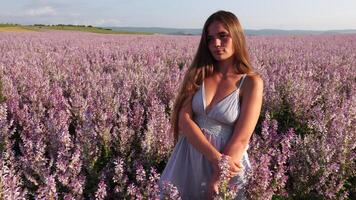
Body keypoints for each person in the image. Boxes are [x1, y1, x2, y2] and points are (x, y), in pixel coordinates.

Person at [160, 10, 263, 199]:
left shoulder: (251, 82)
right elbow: (184, 119)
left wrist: (218, 176)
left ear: (237, 37)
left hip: (230, 162)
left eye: (223, 36)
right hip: (190, 155)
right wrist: (215, 159)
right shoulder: (199, 73)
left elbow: (241, 138)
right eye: (210, 39)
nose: (216, 44)